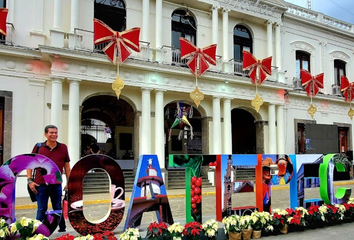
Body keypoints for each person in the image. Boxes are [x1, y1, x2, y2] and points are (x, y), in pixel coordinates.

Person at [27, 125, 71, 233]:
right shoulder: (38, 147)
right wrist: (29, 180)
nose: (54, 135)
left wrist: (69, 182)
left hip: (56, 183)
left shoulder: (63, 147)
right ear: (46, 134)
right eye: (51, 132)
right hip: (40, 184)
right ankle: (36, 232)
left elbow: (67, 166)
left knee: (57, 207)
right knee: (41, 209)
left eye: (56, 132)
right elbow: (29, 164)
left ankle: (62, 229)